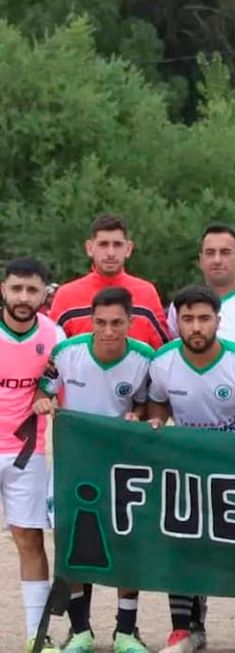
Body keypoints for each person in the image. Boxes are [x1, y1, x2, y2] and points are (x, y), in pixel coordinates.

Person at [147, 285, 235, 653]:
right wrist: (156, 424)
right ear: (177, 322)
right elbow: (157, 405)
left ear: (218, 320)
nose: (196, 327)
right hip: (186, 468)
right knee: (184, 544)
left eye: (203, 318)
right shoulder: (163, 362)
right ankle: (185, 629)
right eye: (187, 319)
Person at [35, 287, 154, 653]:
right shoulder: (67, 354)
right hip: (76, 461)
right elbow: (43, 390)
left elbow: (152, 409)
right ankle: (80, 630)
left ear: (130, 323)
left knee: (125, 542)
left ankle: (126, 631)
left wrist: (141, 416)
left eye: (117, 323)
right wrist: (43, 400)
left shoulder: (144, 359)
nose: (108, 331)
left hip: (124, 465)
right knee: (73, 539)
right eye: (100, 322)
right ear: (91, 321)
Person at [0, 257, 63, 653]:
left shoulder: (54, 335)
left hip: (27, 454)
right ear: (3, 289)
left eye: (32, 290)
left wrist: (46, 394)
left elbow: (55, 380)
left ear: (45, 293)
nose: (23, 297)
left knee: (28, 538)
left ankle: (35, 637)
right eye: (16, 288)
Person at [50, 214, 169, 348]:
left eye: (117, 245)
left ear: (128, 249)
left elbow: (163, 353)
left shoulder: (146, 293)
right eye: (103, 244)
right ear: (89, 248)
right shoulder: (66, 296)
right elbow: (53, 352)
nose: (111, 252)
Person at [167, 224, 235, 351]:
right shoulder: (181, 304)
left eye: (225, 252)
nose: (217, 260)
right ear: (201, 260)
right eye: (210, 253)